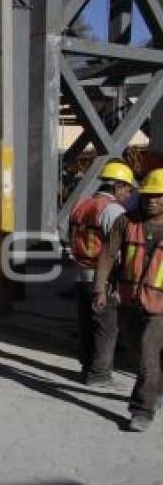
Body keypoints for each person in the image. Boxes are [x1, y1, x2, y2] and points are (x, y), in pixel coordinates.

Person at [94, 168, 163, 432]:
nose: (151, 200)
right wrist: (100, 289)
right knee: (138, 353)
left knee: (147, 352)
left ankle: (142, 410)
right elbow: (107, 256)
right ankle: (155, 389)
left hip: (160, 305)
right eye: (147, 196)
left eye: (157, 196)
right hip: (129, 299)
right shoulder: (126, 221)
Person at [68, 160, 136, 386]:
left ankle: (87, 368)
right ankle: (99, 375)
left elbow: (70, 235)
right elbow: (117, 249)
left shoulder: (82, 204)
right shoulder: (114, 211)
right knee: (106, 327)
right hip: (101, 278)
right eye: (127, 188)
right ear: (117, 187)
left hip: (80, 274)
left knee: (86, 323)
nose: (129, 193)